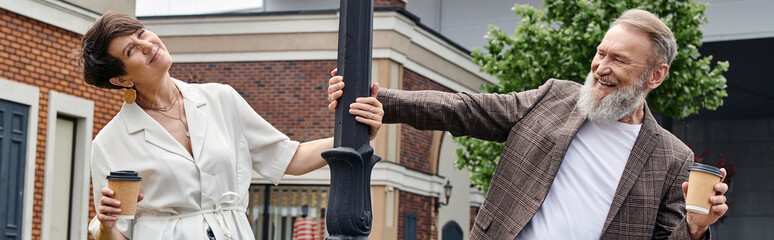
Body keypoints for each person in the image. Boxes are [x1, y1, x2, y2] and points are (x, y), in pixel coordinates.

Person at [327, 9, 728, 240]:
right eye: (601, 53)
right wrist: (381, 102)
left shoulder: (674, 158)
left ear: (655, 76)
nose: (601, 67)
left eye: (619, 60)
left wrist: (694, 227)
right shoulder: (555, 98)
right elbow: (466, 109)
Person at [79, 11, 384, 240]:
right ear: (120, 79)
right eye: (131, 50)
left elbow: (290, 158)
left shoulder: (220, 99)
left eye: (141, 33)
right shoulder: (109, 143)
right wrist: (106, 224)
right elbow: (116, 232)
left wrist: (354, 134)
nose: (146, 45)